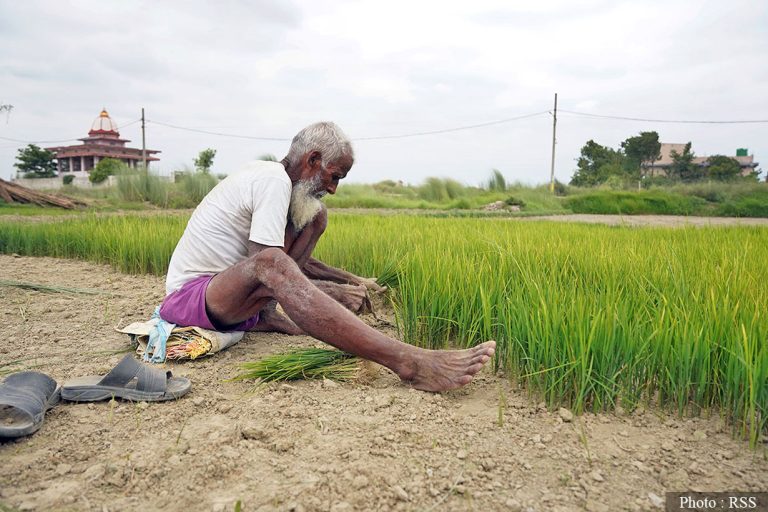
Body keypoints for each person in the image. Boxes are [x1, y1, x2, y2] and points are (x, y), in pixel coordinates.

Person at [159, 122, 495, 392]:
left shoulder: (281, 187)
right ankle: (408, 362)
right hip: (192, 299)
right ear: (313, 160)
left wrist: (346, 281)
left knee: (317, 216)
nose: (333, 188)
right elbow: (267, 266)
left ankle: (267, 316)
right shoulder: (271, 180)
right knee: (272, 263)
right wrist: (330, 291)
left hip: (232, 303)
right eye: (334, 176)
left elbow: (279, 267)